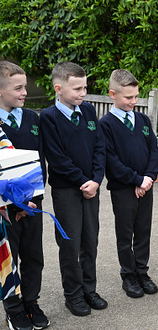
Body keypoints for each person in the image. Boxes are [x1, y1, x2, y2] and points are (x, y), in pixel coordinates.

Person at [40, 61, 107, 316]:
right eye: (77, 88)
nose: (82, 93)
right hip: (68, 190)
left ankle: (89, 289)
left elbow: (100, 148)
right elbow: (57, 158)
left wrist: (96, 180)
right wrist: (82, 182)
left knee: (90, 240)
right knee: (70, 242)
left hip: (92, 187)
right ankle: (74, 294)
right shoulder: (48, 117)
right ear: (58, 88)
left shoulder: (88, 112)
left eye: (85, 87)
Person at [99, 70, 158, 299]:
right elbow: (111, 161)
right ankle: (129, 274)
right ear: (113, 94)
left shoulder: (143, 120)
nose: (133, 102)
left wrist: (147, 178)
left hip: (146, 186)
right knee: (125, 233)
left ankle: (142, 272)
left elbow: (153, 150)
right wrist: (136, 180)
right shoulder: (105, 125)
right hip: (123, 189)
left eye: (136, 96)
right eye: (128, 98)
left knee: (143, 230)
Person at [0, 61, 49, 330]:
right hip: (5, 208)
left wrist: (34, 199)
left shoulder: (32, 118)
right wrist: (11, 203)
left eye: (25, 87)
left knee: (34, 256)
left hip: (33, 204)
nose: (24, 93)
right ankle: (14, 309)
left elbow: (39, 163)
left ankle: (31, 301)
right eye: (17, 88)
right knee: (10, 259)